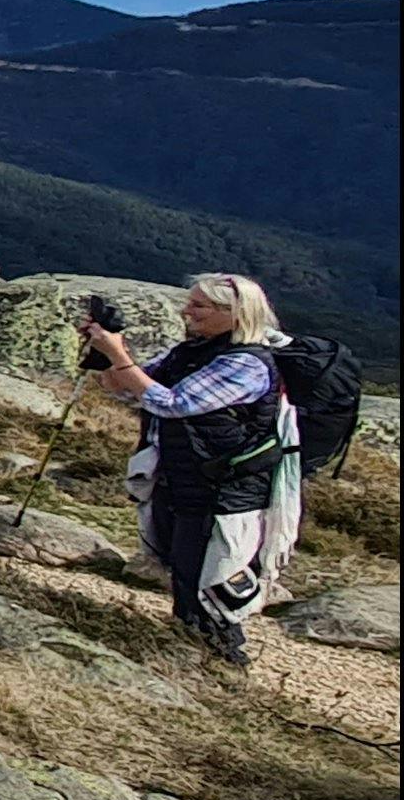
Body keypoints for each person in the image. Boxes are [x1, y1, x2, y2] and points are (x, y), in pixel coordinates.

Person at [85, 274, 304, 665]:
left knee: (211, 584)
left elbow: (174, 403)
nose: (187, 312)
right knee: (183, 573)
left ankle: (223, 665)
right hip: (185, 481)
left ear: (235, 313)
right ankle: (190, 657)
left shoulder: (248, 364)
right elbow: (127, 388)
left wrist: (119, 356)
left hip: (224, 493)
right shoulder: (192, 352)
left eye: (199, 306)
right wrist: (105, 351)